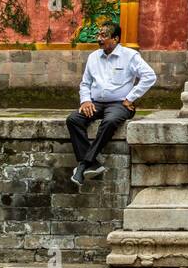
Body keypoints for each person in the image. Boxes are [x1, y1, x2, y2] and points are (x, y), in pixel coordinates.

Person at [66, 23, 156, 186]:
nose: (99, 39)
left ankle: (83, 165)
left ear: (115, 39)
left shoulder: (130, 55)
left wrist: (130, 98)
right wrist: (85, 100)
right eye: (98, 35)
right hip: (96, 103)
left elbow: (149, 76)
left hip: (120, 104)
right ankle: (91, 163)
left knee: (110, 122)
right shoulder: (94, 57)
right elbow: (85, 83)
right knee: (73, 119)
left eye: (104, 36)